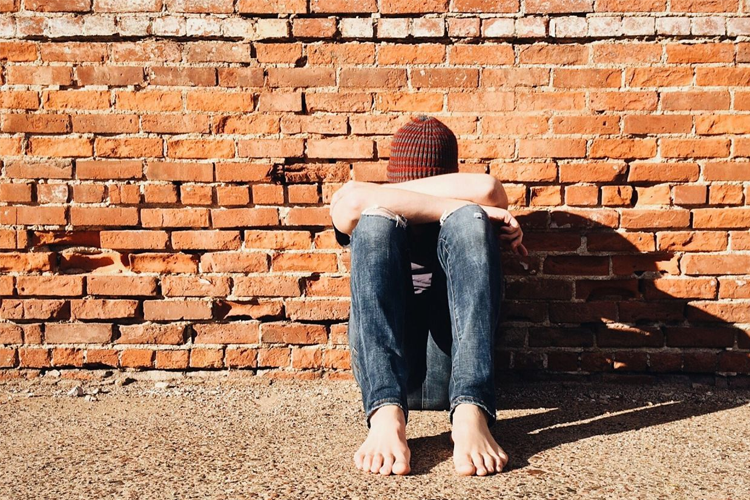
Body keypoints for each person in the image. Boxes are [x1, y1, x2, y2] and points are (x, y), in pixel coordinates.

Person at [328, 116, 527, 477]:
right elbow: (352, 204)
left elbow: (487, 188)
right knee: (374, 223)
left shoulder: (465, 209)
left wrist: (463, 210)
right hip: (385, 375)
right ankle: (386, 416)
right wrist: (450, 204)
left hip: (452, 372)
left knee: (468, 220)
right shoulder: (376, 211)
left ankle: (471, 413)